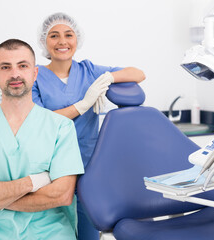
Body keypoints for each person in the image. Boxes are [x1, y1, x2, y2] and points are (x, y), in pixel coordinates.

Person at [0, 39, 84, 239]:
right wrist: (34, 181)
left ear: (34, 73)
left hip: (50, 232)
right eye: (5, 67)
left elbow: (62, 195)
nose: (14, 74)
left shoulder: (61, 127)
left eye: (22, 66)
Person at [33, 12, 146, 240]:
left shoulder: (88, 70)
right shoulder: (35, 75)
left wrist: (108, 79)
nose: (62, 41)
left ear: (77, 39)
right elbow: (41, 123)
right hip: (52, 166)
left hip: (88, 164)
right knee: (55, 229)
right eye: (54, 36)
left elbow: (138, 74)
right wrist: (83, 104)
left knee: (89, 228)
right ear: (45, 41)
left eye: (68, 34)